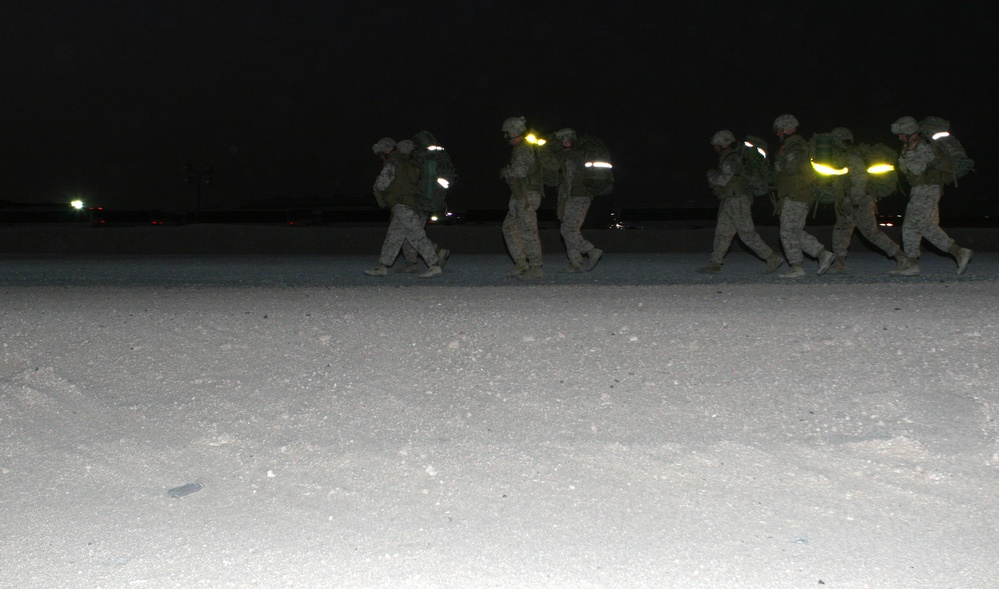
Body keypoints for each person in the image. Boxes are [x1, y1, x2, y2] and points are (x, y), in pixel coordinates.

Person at [888, 116, 973, 276]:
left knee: (910, 226)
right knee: (926, 228)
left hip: (926, 189)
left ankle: (912, 264)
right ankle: (958, 252)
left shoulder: (922, 146)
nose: (899, 138)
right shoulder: (913, 145)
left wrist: (911, 152)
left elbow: (916, 169)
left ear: (908, 132)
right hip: (925, 189)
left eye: (901, 134)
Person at [698, 129, 783, 274]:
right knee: (723, 233)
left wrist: (711, 175)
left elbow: (722, 180)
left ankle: (772, 257)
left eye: (717, 144)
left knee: (747, 234)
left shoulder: (731, 159)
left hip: (737, 201)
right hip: (730, 200)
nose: (715, 147)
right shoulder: (731, 157)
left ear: (723, 144)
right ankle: (715, 263)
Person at [827, 127, 907, 273]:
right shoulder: (844, 156)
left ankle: (901, 257)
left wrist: (855, 201)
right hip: (849, 200)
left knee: (871, 233)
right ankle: (839, 263)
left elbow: (860, 178)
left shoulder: (851, 156)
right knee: (841, 230)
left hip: (859, 201)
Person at [365, 136, 445, 278]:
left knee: (415, 236)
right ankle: (382, 266)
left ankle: (434, 265)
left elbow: (381, 184)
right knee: (394, 236)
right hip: (414, 204)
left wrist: (377, 189)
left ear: (385, 150)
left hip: (403, 204)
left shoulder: (394, 162)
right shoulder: (412, 162)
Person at [772, 114, 836, 278]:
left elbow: (790, 168)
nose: (778, 134)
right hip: (799, 194)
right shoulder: (796, 145)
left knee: (787, 231)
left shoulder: (795, 147)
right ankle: (822, 254)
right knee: (794, 230)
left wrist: (779, 159)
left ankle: (796, 267)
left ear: (786, 129)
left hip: (797, 195)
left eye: (779, 131)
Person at [550, 128, 604, 273]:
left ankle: (591, 250)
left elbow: (569, 181)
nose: (564, 142)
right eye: (562, 140)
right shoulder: (578, 154)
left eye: (566, 139)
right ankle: (575, 262)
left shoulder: (571, 156)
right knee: (570, 228)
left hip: (576, 197)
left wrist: (563, 201)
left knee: (567, 229)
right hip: (579, 196)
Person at [499, 116, 544, 280]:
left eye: (507, 133)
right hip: (519, 195)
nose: (505, 136)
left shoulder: (523, 149)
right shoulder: (520, 149)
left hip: (527, 195)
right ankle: (521, 263)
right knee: (509, 228)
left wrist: (506, 172)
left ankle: (536, 267)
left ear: (514, 131)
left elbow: (520, 172)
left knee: (528, 231)